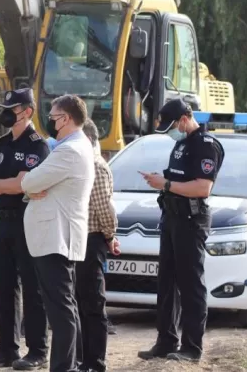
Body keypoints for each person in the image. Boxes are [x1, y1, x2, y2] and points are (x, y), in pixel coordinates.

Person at [137, 98, 225, 363]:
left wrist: (164, 184)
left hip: (191, 219)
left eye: (172, 126)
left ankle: (191, 347)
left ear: (185, 119)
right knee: (166, 283)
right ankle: (166, 341)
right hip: (172, 217)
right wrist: (162, 181)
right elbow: (178, 179)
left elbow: (202, 188)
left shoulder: (205, 145)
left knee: (190, 284)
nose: (170, 132)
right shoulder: (181, 143)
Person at [16, 94, 95, 372]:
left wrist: (29, 183)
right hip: (56, 237)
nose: (48, 120)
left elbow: (29, 181)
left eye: (52, 116)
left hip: (56, 238)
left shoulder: (69, 150)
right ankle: (70, 364)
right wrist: (32, 186)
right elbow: (34, 185)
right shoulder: (73, 146)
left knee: (61, 311)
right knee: (64, 307)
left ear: (66, 119)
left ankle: (64, 367)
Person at [0, 88, 50, 370]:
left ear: (27, 111)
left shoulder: (37, 146)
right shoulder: (3, 143)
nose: (7, 114)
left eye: (13, 109)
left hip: (28, 222)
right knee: (5, 287)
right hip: (3, 222)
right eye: (5, 109)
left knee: (33, 288)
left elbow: (22, 184)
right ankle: (6, 349)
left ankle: (37, 350)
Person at [75, 119, 119, 372]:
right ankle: (84, 360)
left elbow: (105, 209)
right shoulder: (82, 163)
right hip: (80, 240)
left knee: (93, 304)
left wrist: (110, 236)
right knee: (81, 303)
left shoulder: (96, 166)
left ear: (89, 139)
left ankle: (95, 362)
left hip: (92, 241)